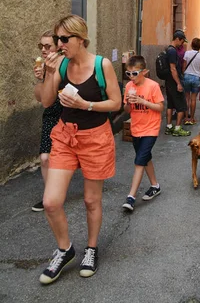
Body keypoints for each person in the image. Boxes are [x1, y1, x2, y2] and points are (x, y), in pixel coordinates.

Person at [39, 15, 121, 284]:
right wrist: (51, 72)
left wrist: (84, 104)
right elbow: (47, 101)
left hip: (95, 138)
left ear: (80, 39)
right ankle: (65, 249)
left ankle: (91, 249)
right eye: (57, 39)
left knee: (90, 200)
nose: (59, 44)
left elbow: (115, 103)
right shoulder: (61, 64)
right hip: (65, 136)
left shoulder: (102, 65)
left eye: (64, 39)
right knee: (51, 202)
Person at [122, 55, 164, 212]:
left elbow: (160, 107)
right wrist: (128, 103)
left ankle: (131, 197)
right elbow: (126, 110)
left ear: (144, 72)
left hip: (151, 129)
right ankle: (155, 185)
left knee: (139, 160)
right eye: (128, 74)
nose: (131, 77)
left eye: (134, 73)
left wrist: (143, 102)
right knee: (145, 158)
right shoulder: (128, 87)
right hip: (136, 128)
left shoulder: (153, 86)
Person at [32, 30, 63, 212]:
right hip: (51, 114)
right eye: (41, 46)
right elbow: (40, 99)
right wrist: (40, 80)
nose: (43, 49)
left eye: (47, 46)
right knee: (45, 158)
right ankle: (49, 196)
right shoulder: (42, 66)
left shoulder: (65, 64)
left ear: (57, 47)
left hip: (68, 114)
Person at [164, 30, 191, 137]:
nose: (182, 44)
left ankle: (169, 127)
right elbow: (173, 69)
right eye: (182, 41)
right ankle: (177, 128)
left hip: (168, 82)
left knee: (170, 104)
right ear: (177, 39)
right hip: (174, 81)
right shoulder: (173, 51)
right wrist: (178, 83)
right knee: (181, 106)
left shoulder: (167, 49)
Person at [182, 38, 200, 125]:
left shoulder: (187, 53)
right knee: (193, 99)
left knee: (187, 98)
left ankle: (186, 118)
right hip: (196, 77)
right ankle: (192, 118)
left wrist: (183, 75)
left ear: (191, 44)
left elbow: (184, 66)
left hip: (187, 76)